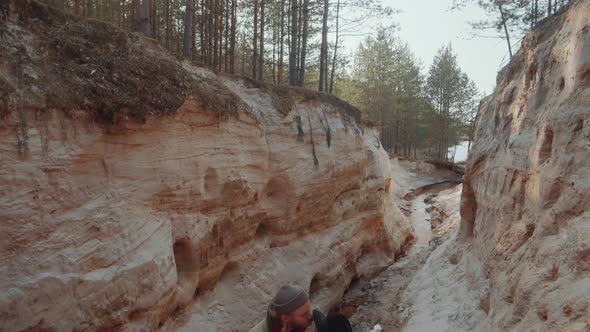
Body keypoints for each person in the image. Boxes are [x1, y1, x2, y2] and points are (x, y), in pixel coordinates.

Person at [249, 284, 314, 332]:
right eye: (304, 314)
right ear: (285, 318)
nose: (310, 316)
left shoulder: (309, 324)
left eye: (309, 310)